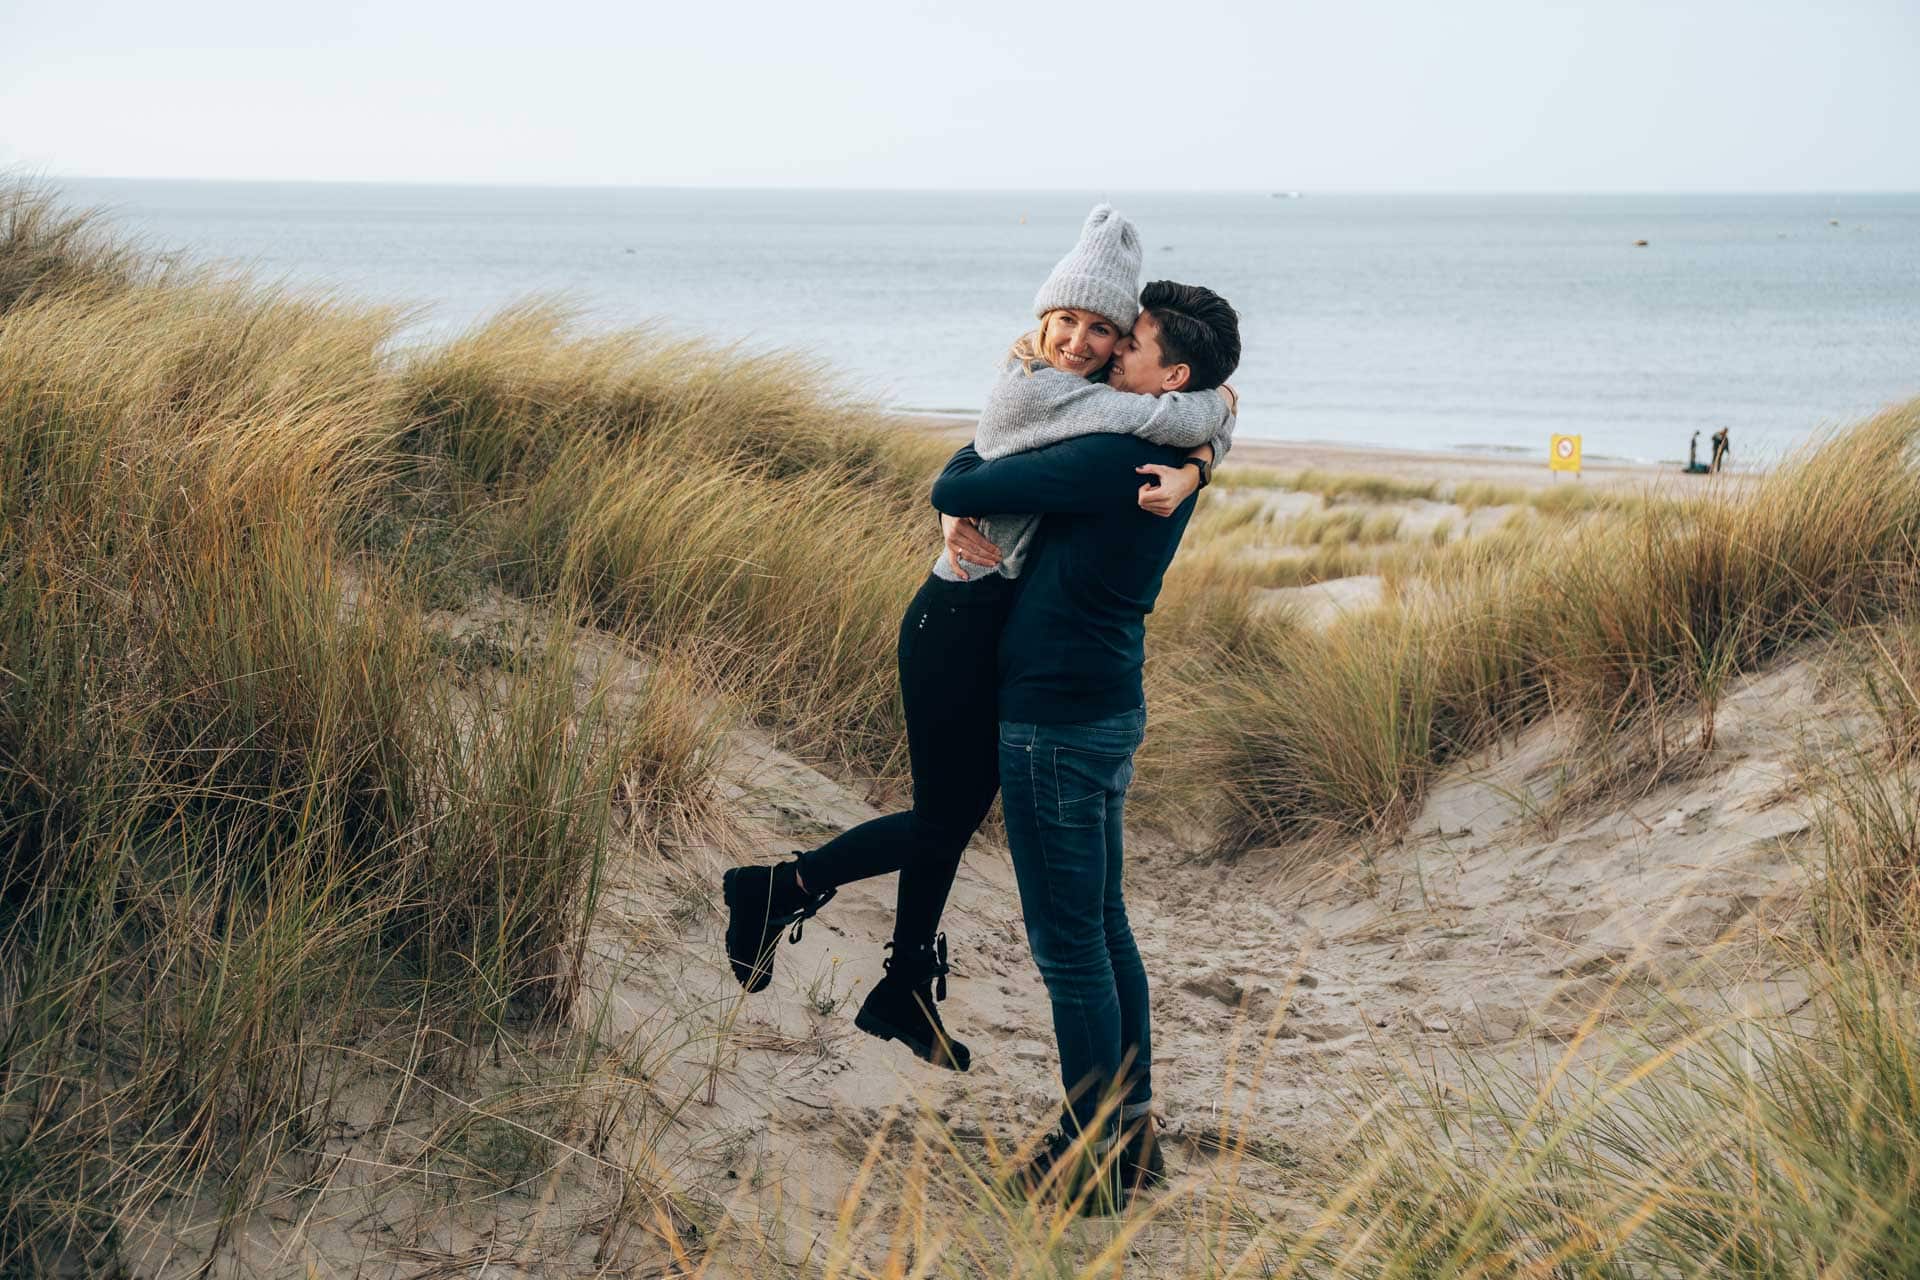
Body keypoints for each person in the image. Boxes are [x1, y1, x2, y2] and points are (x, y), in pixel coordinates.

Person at [719, 206, 1234, 1086]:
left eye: (1108, 332)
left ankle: (905, 984)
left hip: (989, 625)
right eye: (1069, 321)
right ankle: (780, 889)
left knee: (946, 820)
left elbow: (1191, 408)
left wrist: (1208, 445)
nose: (1086, 343)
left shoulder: (1103, 411)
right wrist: (1211, 436)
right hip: (953, 625)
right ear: (1042, 318)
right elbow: (965, 473)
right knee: (940, 820)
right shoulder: (1055, 399)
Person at [930, 279, 1242, 1209]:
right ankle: (1129, 1132)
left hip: (1055, 719)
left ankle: (1093, 1155)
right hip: (1105, 704)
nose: (1107, 352)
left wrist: (956, 505)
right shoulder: (1164, 445)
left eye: (1129, 344)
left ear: (1169, 376)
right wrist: (1210, 450)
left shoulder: (1106, 457)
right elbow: (1219, 406)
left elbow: (962, 475)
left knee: (1069, 947)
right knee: (1104, 928)